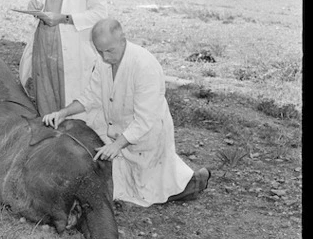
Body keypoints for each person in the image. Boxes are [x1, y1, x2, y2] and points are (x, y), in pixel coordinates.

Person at [42, 18, 211, 207]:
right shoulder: (103, 61)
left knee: (156, 190)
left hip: (146, 136)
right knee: (121, 186)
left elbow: (145, 119)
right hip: (120, 136)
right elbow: (90, 96)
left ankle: (197, 182)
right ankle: (187, 178)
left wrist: (117, 145)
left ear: (123, 40)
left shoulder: (144, 66)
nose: (105, 57)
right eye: (100, 51)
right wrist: (63, 113)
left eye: (110, 51)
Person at [18, 0, 108, 126]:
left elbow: (100, 13)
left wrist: (65, 18)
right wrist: (35, 5)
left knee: (70, 101)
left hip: (72, 47)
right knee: (45, 95)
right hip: (45, 43)